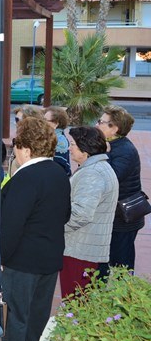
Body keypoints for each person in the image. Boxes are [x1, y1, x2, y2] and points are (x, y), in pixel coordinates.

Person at [0, 117, 71, 341]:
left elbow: (11, 226)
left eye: (16, 146)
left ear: (27, 149)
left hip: (21, 264)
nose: (14, 151)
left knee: (14, 323)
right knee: (37, 322)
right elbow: (65, 215)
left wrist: (0, 259)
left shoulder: (25, 178)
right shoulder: (58, 172)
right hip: (49, 260)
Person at [61, 127, 118, 298]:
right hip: (86, 250)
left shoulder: (92, 173)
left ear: (85, 150)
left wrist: (57, 228)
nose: (70, 148)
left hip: (80, 251)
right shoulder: (97, 168)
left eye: (73, 144)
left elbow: (81, 214)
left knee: (76, 304)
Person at [96, 105, 144, 271]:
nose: (97, 125)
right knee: (106, 262)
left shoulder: (124, 151)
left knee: (121, 266)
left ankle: (122, 297)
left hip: (123, 218)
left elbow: (109, 179)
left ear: (114, 128)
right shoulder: (113, 146)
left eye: (101, 122)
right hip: (114, 216)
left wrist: (103, 155)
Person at [44, 106, 71, 176]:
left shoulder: (60, 141)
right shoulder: (50, 136)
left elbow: (59, 165)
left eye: (45, 120)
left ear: (56, 124)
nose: (42, 123)